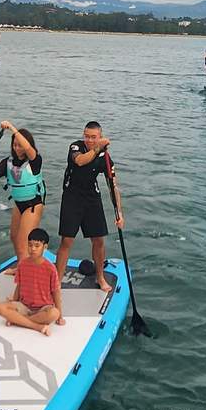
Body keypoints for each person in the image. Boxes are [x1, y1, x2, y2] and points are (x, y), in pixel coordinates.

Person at [54, 121, 124, 293]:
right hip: (72, 197)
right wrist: (97, 148)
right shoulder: (75, 147)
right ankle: (56, 280)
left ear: (100, 136)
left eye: (94, 137)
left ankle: (100, 277)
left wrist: (119, 213)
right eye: (87, 136)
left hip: (92, 198)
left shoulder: (105, 158)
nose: (89, 140)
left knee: (99, 240)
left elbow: (112, 185)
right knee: (67, 240)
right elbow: (80, 161)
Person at [0, 120, 44, 265]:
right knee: (14, 237)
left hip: (33, 205)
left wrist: (12, 129)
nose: (17, 148)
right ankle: (21, 267)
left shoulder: (35, 160)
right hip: (19, 204)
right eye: (14, 145)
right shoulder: (7, 162)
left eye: (20, 145)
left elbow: (28, 148)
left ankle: (24, 278)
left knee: (23, 243)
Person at [0, 228, 63, 335]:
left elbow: (55, 291)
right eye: (30, 245)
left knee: (54, 313)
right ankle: (36, 326)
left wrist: (60, 316)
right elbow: (19, 286)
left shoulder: (50, 268)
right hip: (24, 306)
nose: (33, 249)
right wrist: (14, 301)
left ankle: (18, 320)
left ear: (45, 247)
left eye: (37, 246)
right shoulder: (22, 264)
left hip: (43, 308)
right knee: (0, 307)